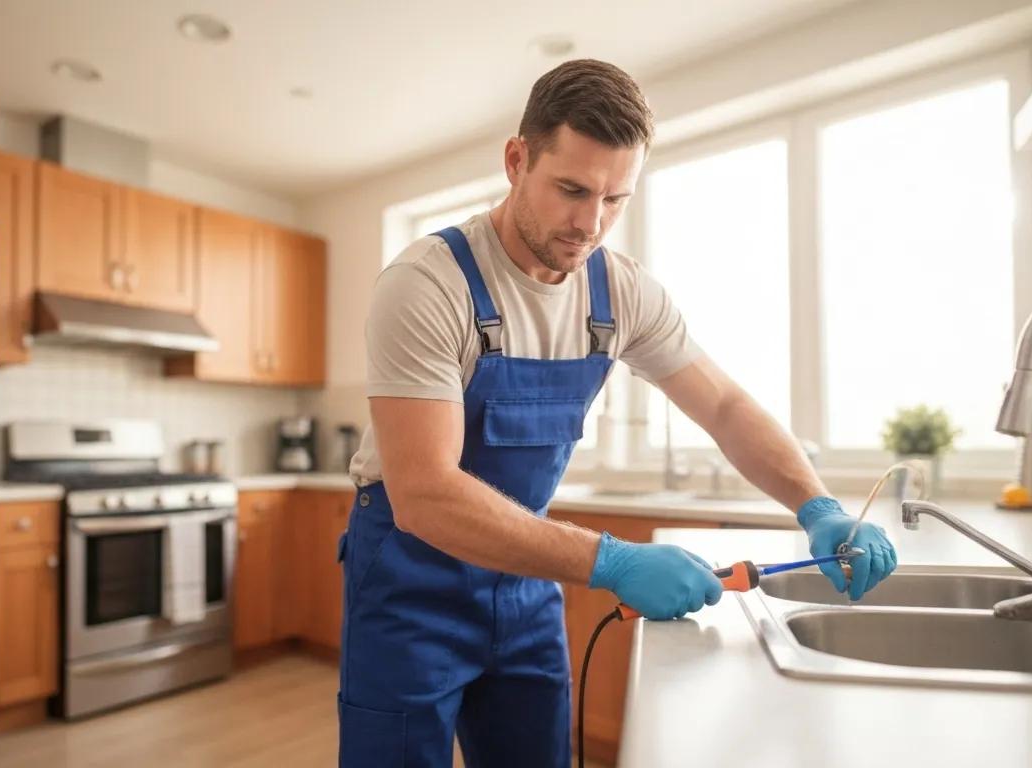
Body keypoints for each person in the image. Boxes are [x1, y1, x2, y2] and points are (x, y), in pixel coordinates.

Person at [336, 59, 897, 768]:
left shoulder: (619, 292)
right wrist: (611, 558)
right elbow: (424, 494)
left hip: (524, 582)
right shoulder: (428, 285)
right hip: (410, 587)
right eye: (571, 190)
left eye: (614, 199)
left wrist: (815, 504)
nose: (589, 224)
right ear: (517, 160)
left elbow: (723, 405)